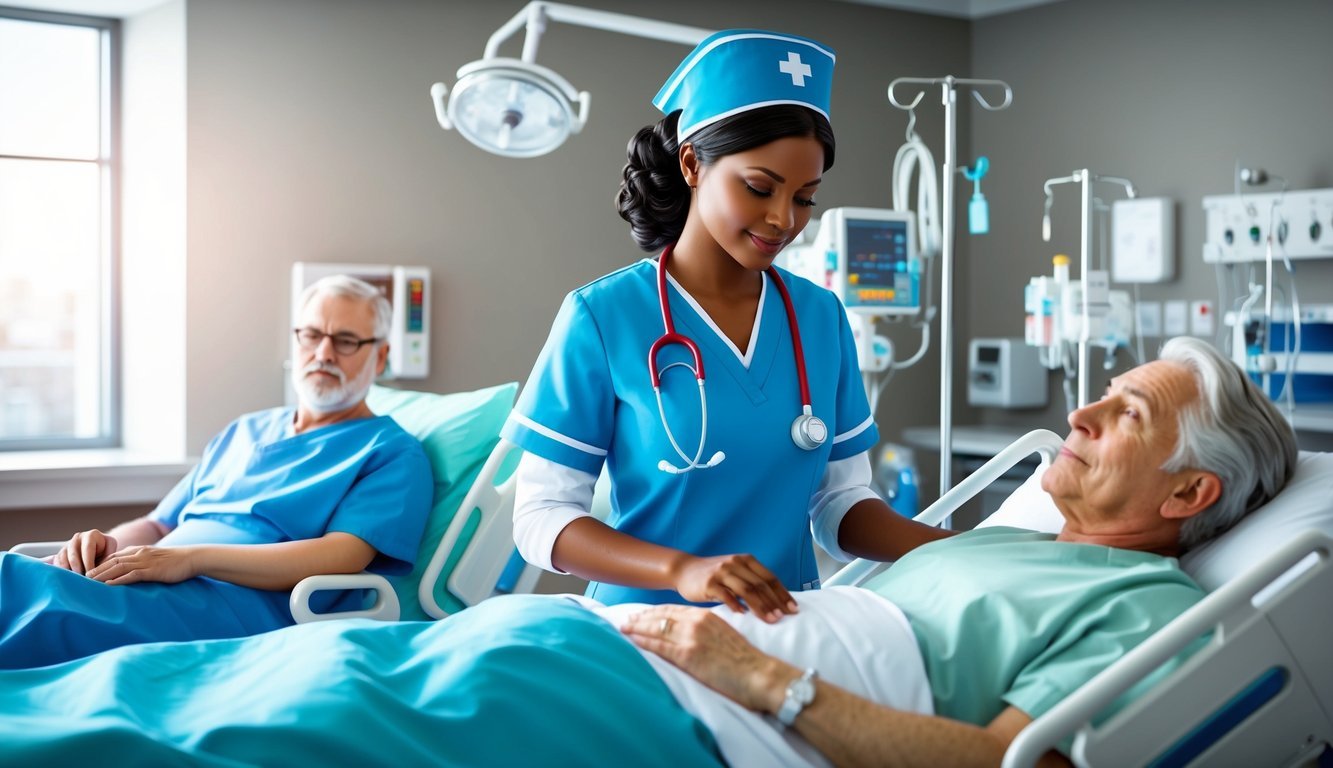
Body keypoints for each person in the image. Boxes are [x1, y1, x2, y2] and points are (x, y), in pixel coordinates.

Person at [0, 338, 1299, 765]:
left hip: (685, 707)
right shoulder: (987, 538)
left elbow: (1001, 760)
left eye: (1122, 412)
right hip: (600, 641)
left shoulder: (1142, 602)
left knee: (300, 718)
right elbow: (846, 534)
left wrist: (760, 679)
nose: (1077, 412)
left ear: (1188, 488)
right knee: (235, 688)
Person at [503, 29, 942, 618]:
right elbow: (541, 518)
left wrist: (963, 548)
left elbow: (840, 503)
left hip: (786, 627)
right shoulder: (602, 317)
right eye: (759, 188)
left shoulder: (820, 316)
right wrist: (680, 570)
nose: (784, 219)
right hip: (645, 629)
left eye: (806, 198)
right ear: (691, 163)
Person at [0, 274, 433, 670]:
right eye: (312, 334)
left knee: (45, 609)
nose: (323, 353)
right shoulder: (244, 430)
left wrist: (190, 559)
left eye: (345, 341)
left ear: (380, 357)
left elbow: (342, 556)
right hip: (151, 579)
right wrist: (102, 545)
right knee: (14, 574)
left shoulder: (392, 453)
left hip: (232, 606)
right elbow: (157, 524)